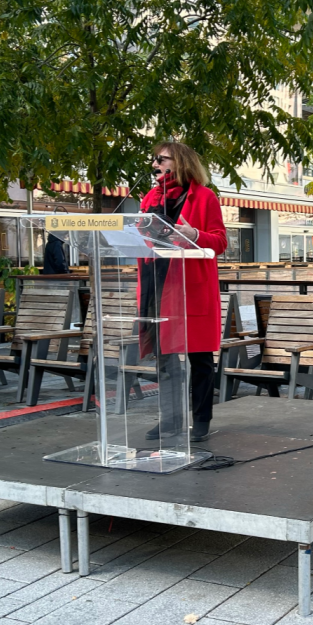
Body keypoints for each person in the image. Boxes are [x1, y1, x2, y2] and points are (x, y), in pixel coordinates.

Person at [140, 141, 228, 443]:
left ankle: (201, 418)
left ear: (179, 162)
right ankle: (171, 420)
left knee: (199, 357)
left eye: (161, 159)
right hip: (158, 283)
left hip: (190, 286)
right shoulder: (151, 197)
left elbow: (220, 242)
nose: (156, 164)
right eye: (155, 160)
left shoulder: (204, 197)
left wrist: (195, 234)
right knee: (164, 357)